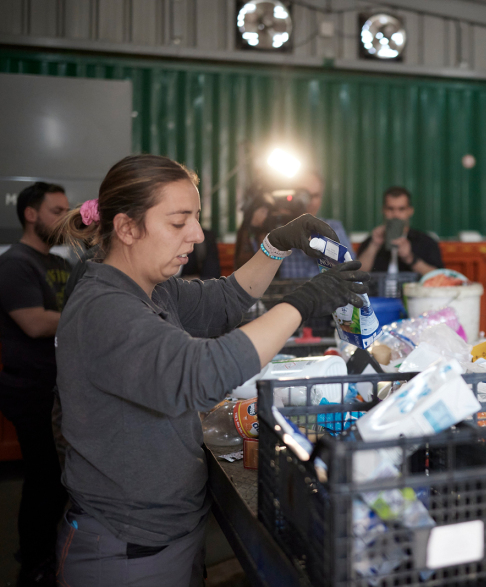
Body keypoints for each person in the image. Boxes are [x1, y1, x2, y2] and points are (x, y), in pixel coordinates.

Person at [51, 154, 368, 587]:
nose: (197, 235)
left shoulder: (152, 289)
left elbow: (224, 299)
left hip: (166, 532)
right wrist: (302, 302)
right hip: (127, 549)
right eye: (179, 221)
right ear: (126, 228)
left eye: (196, 218)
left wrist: (277, 244)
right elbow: (203, 373)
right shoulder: (105, 309)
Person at [0, 182, 71, 586]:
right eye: (56, 211)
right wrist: (90, 315)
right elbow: (34, 322)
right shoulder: (15, 263)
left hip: (57, 387)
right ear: (31, 214)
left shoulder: (58, 261)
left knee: (56, 481)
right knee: (44, 481)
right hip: (30, 389)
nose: (65, 218)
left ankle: (49, 556)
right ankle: (33, 566)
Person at [276, 170, 356, 279]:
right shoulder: (277, 228)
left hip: (325, 290)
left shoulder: (333, 227)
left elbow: (349, 268)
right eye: (303, 195)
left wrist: (316, 241)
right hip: (288, 290)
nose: (309, 202)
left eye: (315, 196)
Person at [358, 186, 443, 276]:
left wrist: (409, 258)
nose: (396, 214)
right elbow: (356, 275)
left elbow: (439, 277)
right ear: (383, 210)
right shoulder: (372, 241)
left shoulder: (426, 242)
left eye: (401, 209)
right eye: (390, 209)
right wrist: (374, 245)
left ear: (410, 211)